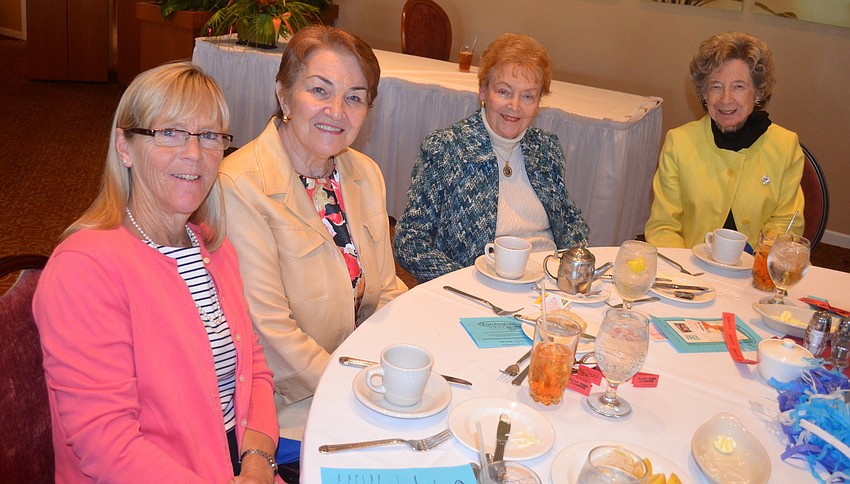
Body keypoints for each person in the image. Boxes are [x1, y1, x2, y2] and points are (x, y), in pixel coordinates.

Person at [33, 62, 281, 483]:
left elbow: (253, 369)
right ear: (124, 147)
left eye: (209, 136)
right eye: (169, 132)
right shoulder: (84, 270)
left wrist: (258, 462)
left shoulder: (212, 248)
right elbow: (108, 446)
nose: (194, 153)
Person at [219, 25, 407, 434]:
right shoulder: (239, 185)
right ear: (284, 95)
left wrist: (408, 362)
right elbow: (270, 333)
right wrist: (355, 390)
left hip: (365, 378)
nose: (338, 110)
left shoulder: (364, 173)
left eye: (354, 97)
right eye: (320, 90)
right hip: (291, 406)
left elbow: (386, 290)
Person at [393, 33, 589, 283]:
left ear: (539, 102)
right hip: (481, 287)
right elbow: (409, 242)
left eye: (528, 96)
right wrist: (468, 282)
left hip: (546, 284)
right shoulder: (446, 148)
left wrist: (567, 271)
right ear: (483, 91)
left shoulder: (546, 148)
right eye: (504, 92)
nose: (515, 106)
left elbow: (571, 222)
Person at [644, 31, 804, 249]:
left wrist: (756, 267)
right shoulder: (679, 142)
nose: (726, 99)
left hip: (758, 271)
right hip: (692, 269)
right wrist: (687, 274)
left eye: (739, 86)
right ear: (704, 93)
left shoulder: (785, 146)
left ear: (758, 92)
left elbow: (787, 224)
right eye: (716, 86)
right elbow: (663, 228)